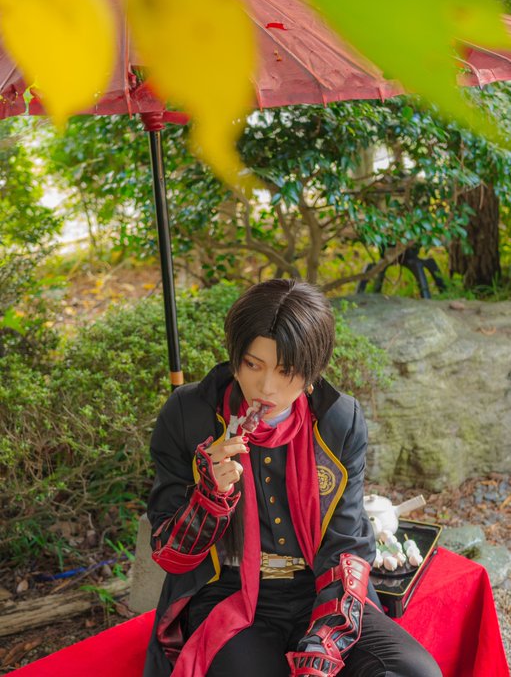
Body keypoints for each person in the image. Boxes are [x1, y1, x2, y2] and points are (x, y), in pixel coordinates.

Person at [143, 279, 441, 677]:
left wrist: (324, 644)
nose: (266, 387)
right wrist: (210, 497)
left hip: (320, 585)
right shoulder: (190, 414)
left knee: (415, 672)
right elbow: (168, 553)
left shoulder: (337, 420)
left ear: (311, 371)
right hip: (228, 589)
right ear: (235, 358)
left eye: (286, 371)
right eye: (253, 365)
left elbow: (347, 545)